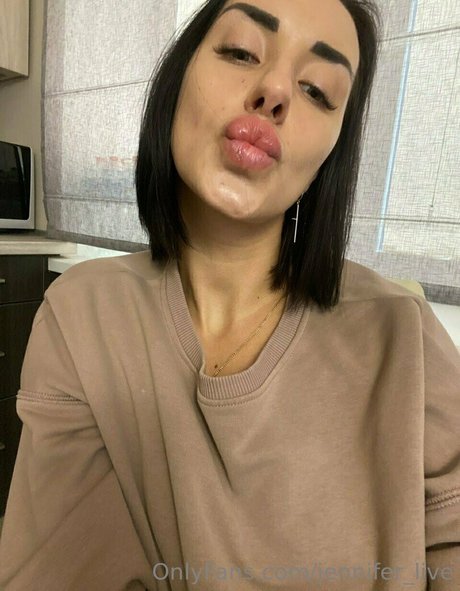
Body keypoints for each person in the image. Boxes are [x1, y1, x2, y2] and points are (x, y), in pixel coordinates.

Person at [0, 0, 458, 589]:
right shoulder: (83, 314)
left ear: (332, 153)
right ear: (179, 77)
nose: (275, 92)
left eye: (317, 91)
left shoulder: (403, 333)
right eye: (241, 52)